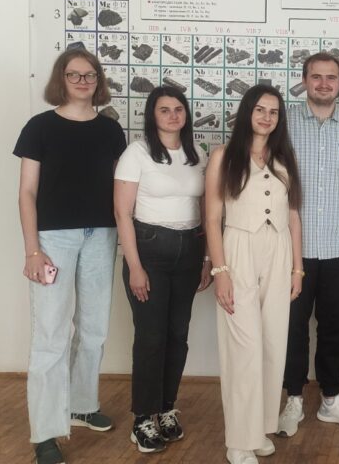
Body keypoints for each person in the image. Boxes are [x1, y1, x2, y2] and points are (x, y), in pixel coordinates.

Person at [14, 48, 126, 464]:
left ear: (99, 81)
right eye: (74, 74)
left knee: (94, 329)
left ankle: (81, 404)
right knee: (51, 336)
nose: (83, 81)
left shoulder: (111, 131)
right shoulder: (39, 127)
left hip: (102, 236)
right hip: (53, 241)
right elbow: (26, 193)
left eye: (90, 75)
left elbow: (119, 189)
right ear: (60, 79)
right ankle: (45, 433)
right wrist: (33, 250)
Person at [206, 85, 305, 464]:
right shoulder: (223, 156)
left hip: (278, 251)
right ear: (247, 112)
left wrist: (298, 267)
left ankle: (259, 429)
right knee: (243, 349)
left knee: (272, 344)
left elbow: (293, 216)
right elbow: (212, 219)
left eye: (273, 112)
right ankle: (238, 440)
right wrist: (220, 271)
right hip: (239, 250)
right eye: (260, 109)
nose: (266, 117)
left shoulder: (284, 158)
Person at [278, 52, 339, 437]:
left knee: (336, 326)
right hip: (292, 248)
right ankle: (293, 398)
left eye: (330, 77)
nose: (323, 84)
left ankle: (331, 399)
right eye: (315, 77)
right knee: (293, 326)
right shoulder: (283, 123)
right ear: (304, 80)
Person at [113, 86, 211, 453]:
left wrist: (206, 259)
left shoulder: (197, 153)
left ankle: (167, 408)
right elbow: (122, 213)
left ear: (186, 115)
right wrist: (134, 266)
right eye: (164, 109)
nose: (172, 115)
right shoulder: (136, 153)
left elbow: (205, 209)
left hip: (189, 251)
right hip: (149, 250)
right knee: (151, 337)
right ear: (152, 116)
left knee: (177, 335)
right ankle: (143, 416)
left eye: (178, 109)